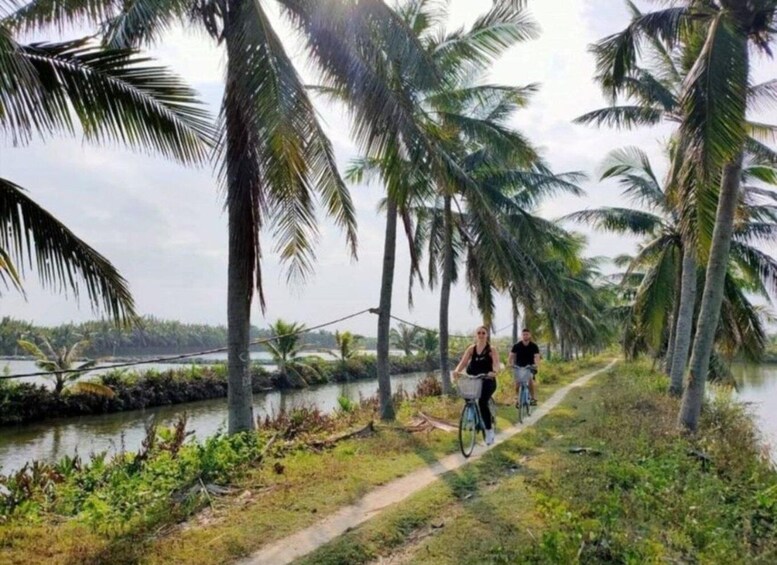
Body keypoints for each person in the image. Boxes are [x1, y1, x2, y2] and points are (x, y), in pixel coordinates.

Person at [453, 326, 500, 445]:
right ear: (476, 335)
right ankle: (471, 415)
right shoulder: (471, 349)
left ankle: (489, 431)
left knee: (482, 402)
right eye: (479, 333)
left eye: (483, 333)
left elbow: (496, 364)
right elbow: (463, 362)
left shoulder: (491, 349)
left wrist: (493, 372)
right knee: (467, 396)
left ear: (487, 335)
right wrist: (457, 371)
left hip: (487, 380)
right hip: (473, 380)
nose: (481, 335)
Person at [508, 328, 540, 407]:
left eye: (527, 334)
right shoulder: (516, 346)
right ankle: (517, 398)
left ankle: (533, 398)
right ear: (521, 336)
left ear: (530, 335)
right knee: (517, 382)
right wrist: (510, 363)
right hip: (519, 367)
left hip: (530, 367)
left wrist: (536, 364)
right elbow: (511, 356)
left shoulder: (534, 346)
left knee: (530, 381)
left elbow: (537, 357)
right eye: (523, 334)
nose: (525, 336)